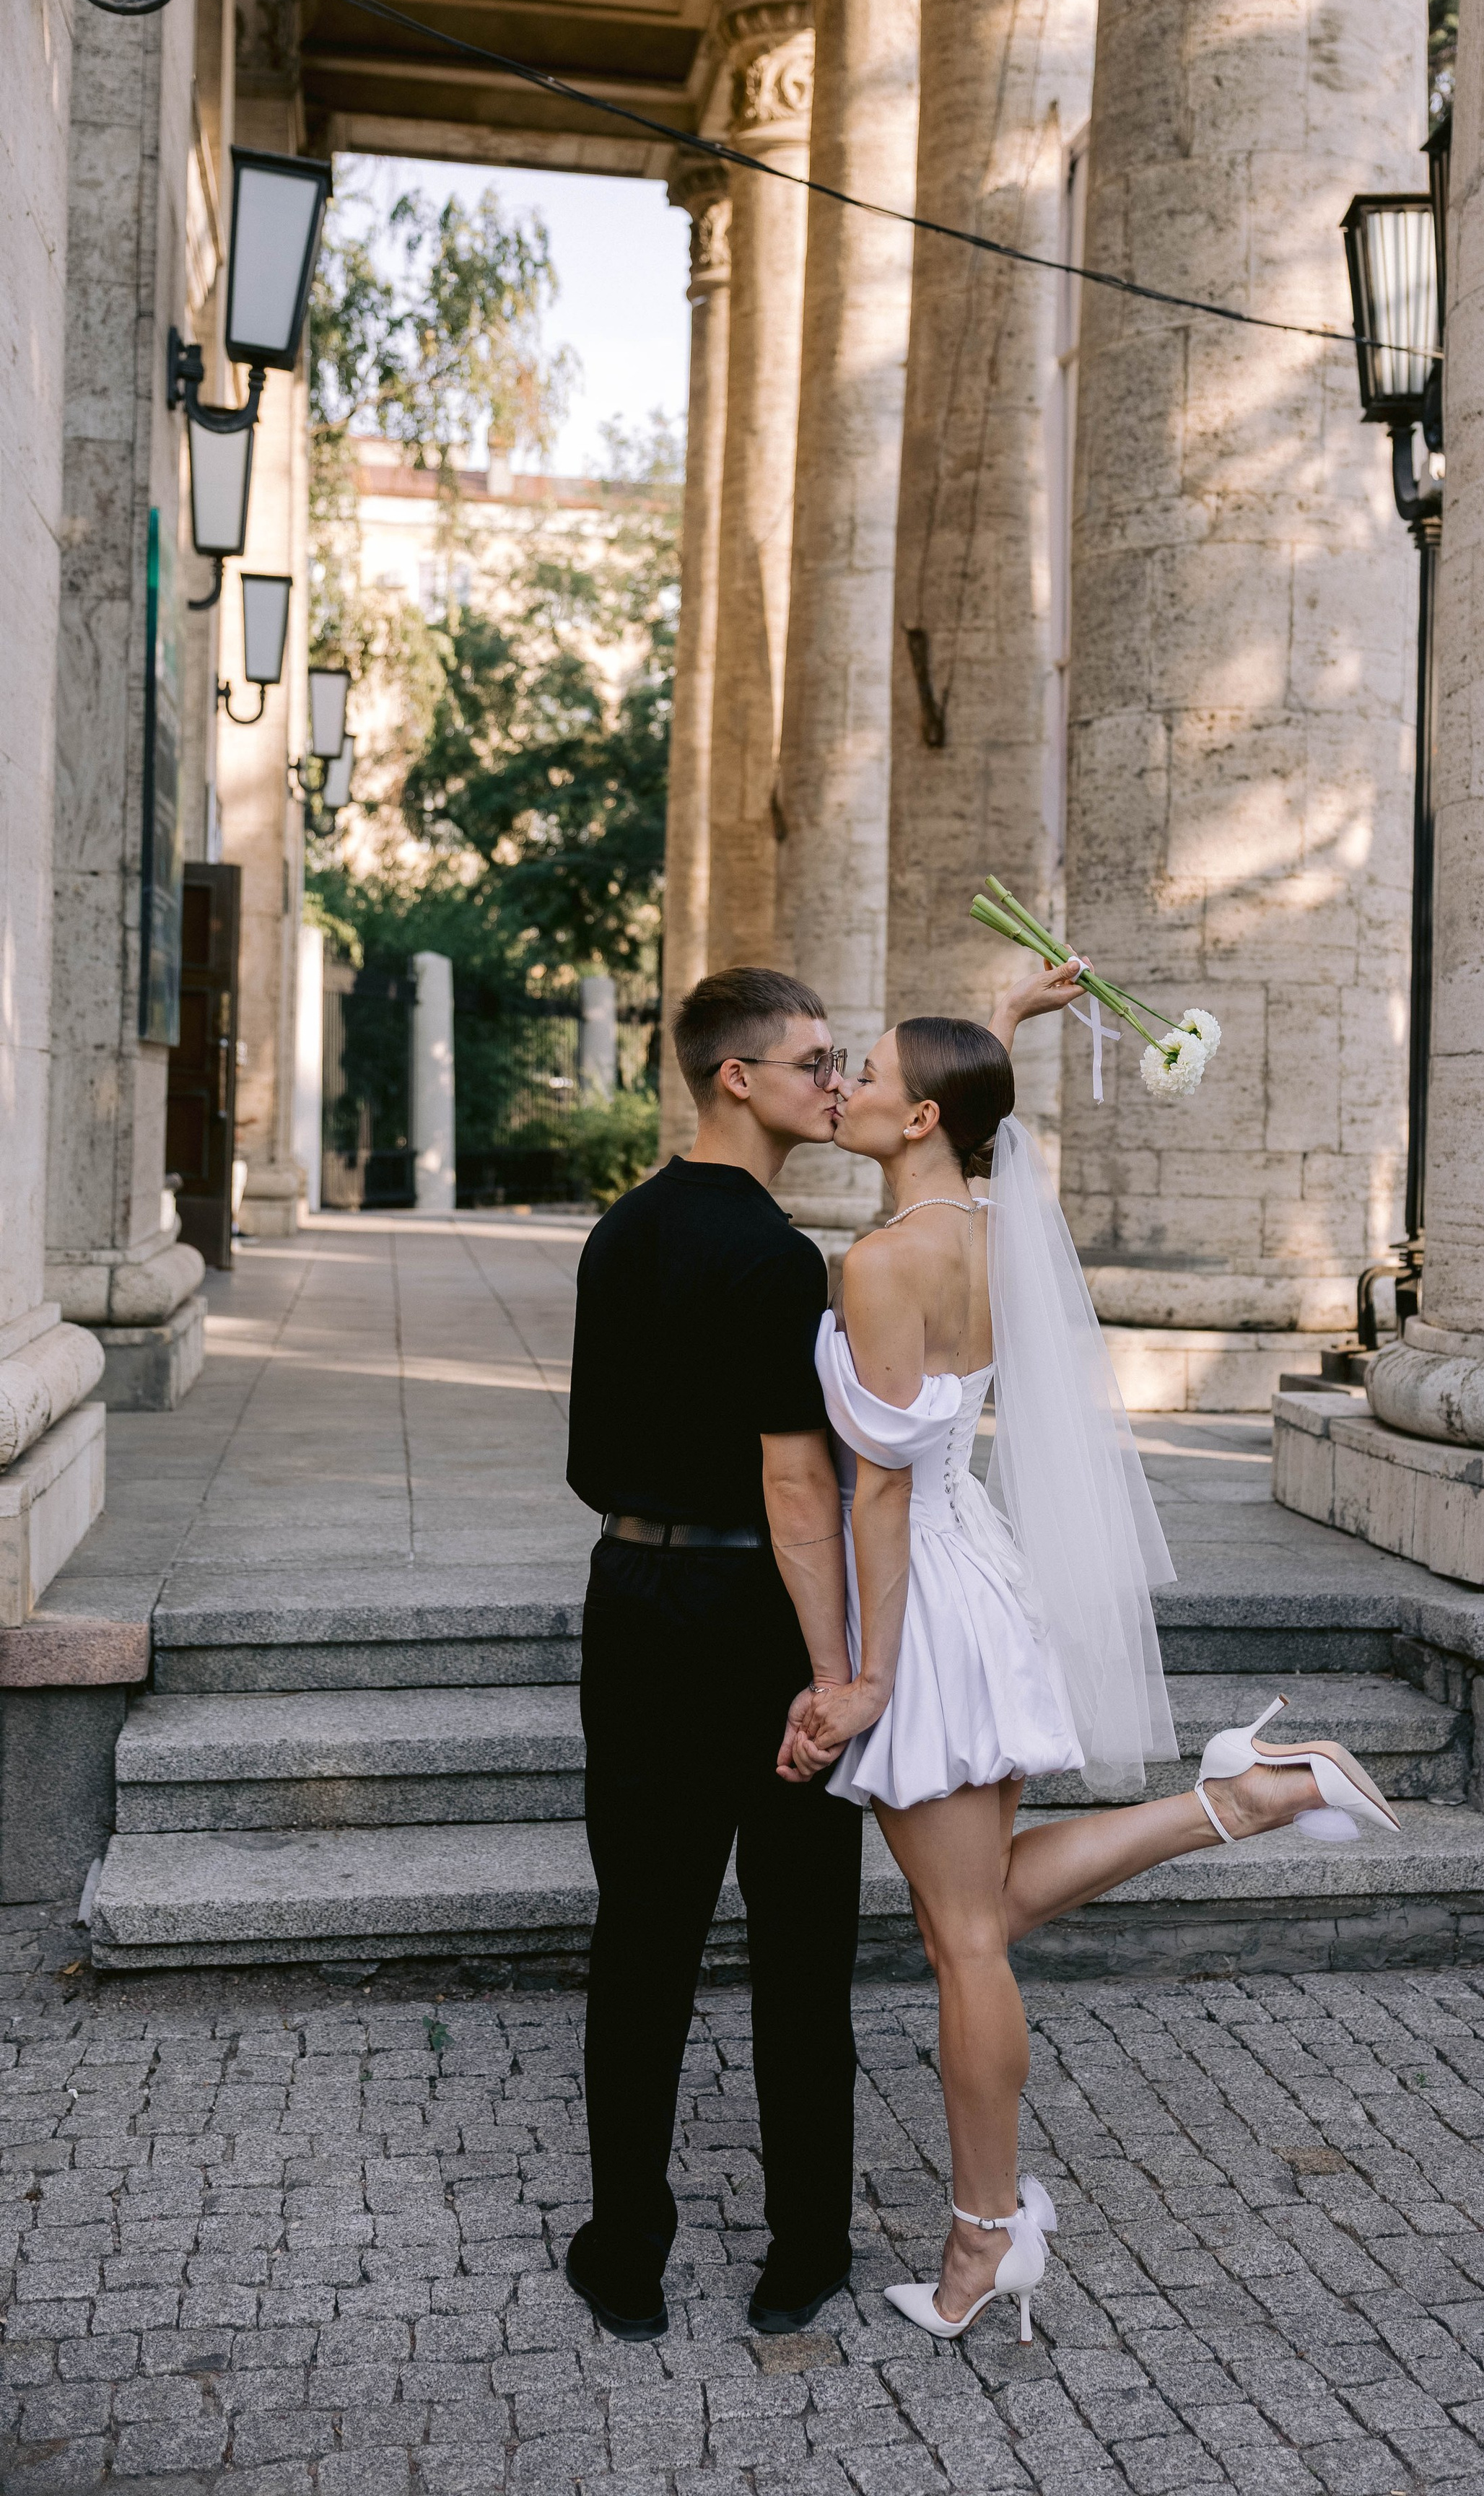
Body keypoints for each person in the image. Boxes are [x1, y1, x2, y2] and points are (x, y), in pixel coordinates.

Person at [782, 964, 1400, 2344]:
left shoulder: (878, 1264)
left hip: (925, 1598)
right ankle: (1246, 1795)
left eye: (869, 1075)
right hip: (980, 1570)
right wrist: (1000, 1023)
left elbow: (876, 1491)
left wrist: (864, 1676)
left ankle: (987, 2233)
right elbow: (979, 1126)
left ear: (923, 1115)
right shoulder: (994, 1223)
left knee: (966, 1948)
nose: (847, 1090)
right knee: (982, 1914)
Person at [564, 965, 864, 2340]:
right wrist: (836, 1674)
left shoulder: (617, 1235)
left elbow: (586, 1461)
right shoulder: (779, 1257)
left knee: (644, 1938)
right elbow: (799, 1489)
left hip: (631, 1597)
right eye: (814, 1060)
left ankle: (623, 2249)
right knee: (800, 1943)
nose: (837, 1081)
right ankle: (804, 2249)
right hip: (756, 1621)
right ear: (735, 1077)